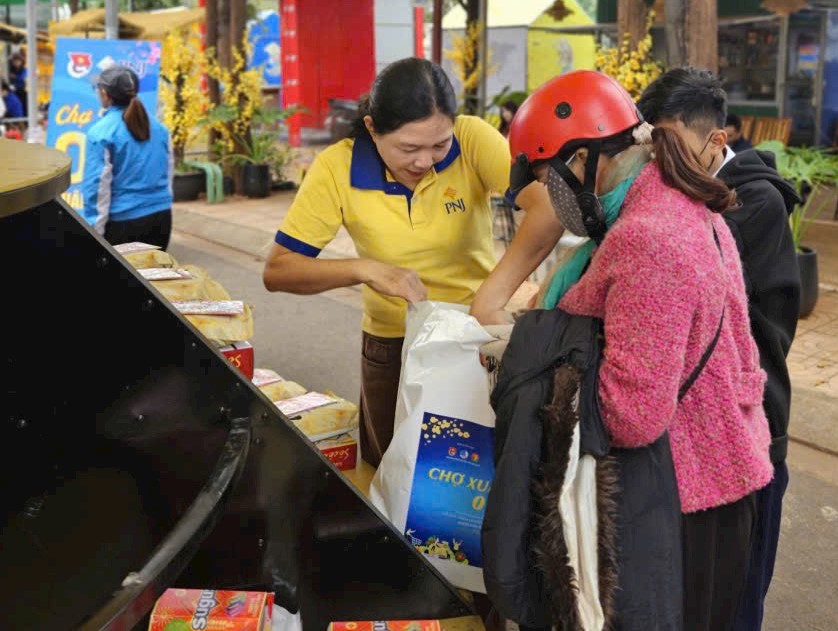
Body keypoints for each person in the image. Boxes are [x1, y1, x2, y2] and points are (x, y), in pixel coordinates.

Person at [471, 70, 773, 630]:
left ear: (584, 159)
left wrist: (535, 359)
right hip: (714, 477)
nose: (551, 198)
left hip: (688, 501)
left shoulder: (648, 237)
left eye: (547, 178)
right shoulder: (672, 201)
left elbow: (632, 416)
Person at [262, 57, 553, 469]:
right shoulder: (337, 167)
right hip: (392, 345)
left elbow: (547, 212)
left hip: (474, 336)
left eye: (438, 145)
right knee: (392, 474)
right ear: (370, 128)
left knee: (472, 473)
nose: (424, 161)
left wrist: (492, 295)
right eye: (408, 148)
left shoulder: (471, 139)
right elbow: (278, 270)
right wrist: (364, 269)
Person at [637, 66, 801, 631]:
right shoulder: (682, 197)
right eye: (648, 144)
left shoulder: (751, 205)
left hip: (753, 429)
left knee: (736, 600)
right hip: (705, 433)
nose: (658, 163)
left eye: (671, 146)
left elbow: (750, 331)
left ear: (716, 141)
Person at [81, 66, 174, 250]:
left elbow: (97, 187)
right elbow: (168, 171)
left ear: (105, 94)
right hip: (161, 217)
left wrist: (95, 231)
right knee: (156, 277)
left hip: (123, 222)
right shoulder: (160, 129)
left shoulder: (100, 133)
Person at [8, 52, 28, 117]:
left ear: (21, 61)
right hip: (14, 92)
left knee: (24, 107)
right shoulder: (11, 70)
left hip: (23, 91)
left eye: (17, 61)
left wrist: (15, 77)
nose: (16, 63)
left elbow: (24, 77)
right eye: (14, 61)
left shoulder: (24, 70)